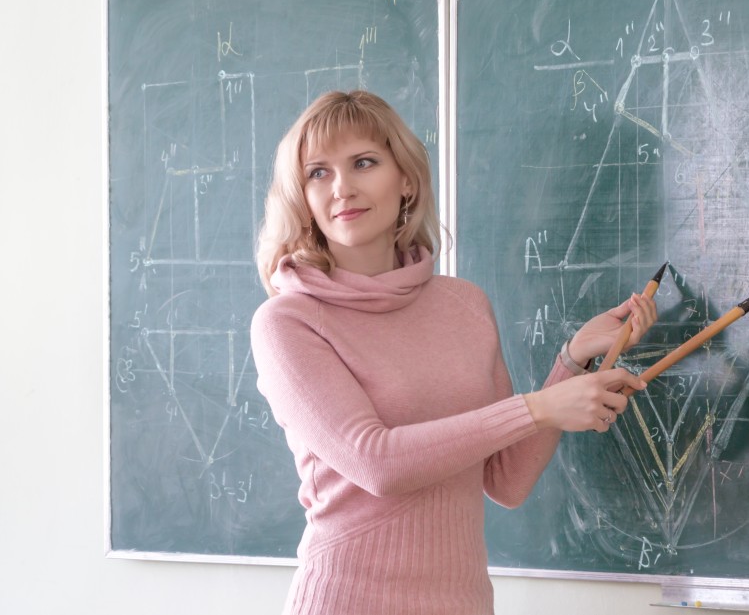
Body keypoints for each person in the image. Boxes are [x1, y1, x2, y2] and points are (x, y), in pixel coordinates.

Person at [250, 90, 656, 615]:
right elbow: (379, 464)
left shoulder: (464, 305)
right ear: (300, 196)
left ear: (407, 180)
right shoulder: (288, 322)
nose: (342, 188)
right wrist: (539, 408)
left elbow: (506, 481)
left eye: (364, 162)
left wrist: (572, 361)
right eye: (317, 173)